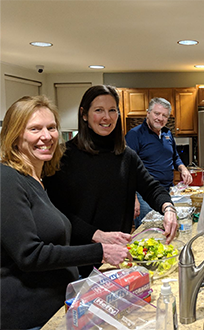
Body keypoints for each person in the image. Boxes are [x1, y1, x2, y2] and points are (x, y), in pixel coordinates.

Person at [0, 96, 130, 329]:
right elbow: (30, 255)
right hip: (29, 317)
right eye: (35, 129)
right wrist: (100, 251)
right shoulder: (7, 180)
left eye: (51, 128)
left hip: (57, 305)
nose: (46, 136)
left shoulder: (36, 179)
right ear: (16, 136)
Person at [43, 85, 177, 277]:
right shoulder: (63, 157)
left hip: (116, 260)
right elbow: (57, 212)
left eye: (112, 110)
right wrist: (96, 234)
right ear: (84, 114)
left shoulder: (126, 156)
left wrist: (168, 208)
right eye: (99, 110)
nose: (107, 117)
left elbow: (151, 187)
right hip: (79, 262)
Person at [125, 97, 192, 227]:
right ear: (148, 113)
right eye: (157, 113)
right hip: (145, 195)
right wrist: (133, 199)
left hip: (167, 191)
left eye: (164, 116)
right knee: (149, 230)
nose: (160, 118)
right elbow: (127, 168)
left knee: (166, 227)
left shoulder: (167, 133)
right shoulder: (135, 134)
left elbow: (175, 157)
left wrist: (183, 168)